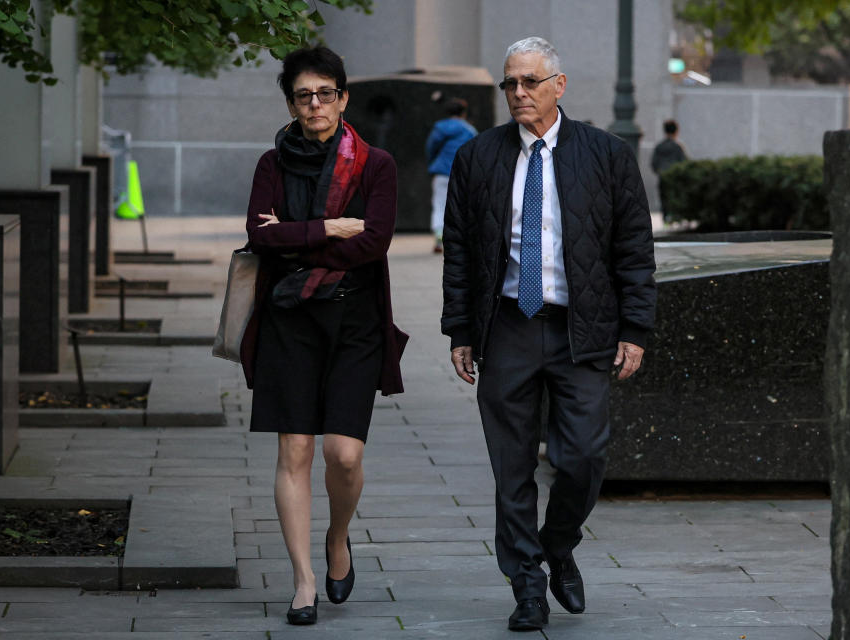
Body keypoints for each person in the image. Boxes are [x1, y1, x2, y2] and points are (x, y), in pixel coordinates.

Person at [441, 37, 656, 631]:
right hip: (507, 323)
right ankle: (527, 585)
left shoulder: (606, 154)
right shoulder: (478, 157)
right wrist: (460, 328)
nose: (518, 94)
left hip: (581, 328)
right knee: (510, 466)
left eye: (530, 82)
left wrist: (634, 329)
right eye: (510, 83)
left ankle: (557, 544)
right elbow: (458, 250)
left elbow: (634, 248)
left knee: (584, 456)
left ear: (559, 85)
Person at [241, 46, 407, 626]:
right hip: (289, 317)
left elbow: (374, 243)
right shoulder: (272, 163)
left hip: (355, 319)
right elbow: (258, 238)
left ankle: (338, 537)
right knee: (295, 449)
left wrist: (293, 234)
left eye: (325, 93)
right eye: (303, 95)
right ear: (291, 102)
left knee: (343, 452)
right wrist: (327, 228)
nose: (315, 104)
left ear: (343, 97)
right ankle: (303, 580)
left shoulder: (374, 164)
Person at [425, 97, 477, 253]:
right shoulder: (469, 130)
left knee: (439, 204)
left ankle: (439, 235)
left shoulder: (439, 128)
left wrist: (433, 163)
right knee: (460, 206)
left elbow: (430, 147)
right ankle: (458, 239)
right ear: (464, 113)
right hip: (462, 173)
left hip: (441, 172)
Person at [650, 119, 688, 219]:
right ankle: (676, 218)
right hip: (675, 177)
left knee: (664, 199)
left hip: (662, 177)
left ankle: (666, 219)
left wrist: (659, 171)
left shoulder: (659, 147)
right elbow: (685, 162)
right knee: (675, 198)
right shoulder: (678, 147)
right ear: (676, 131)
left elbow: (654, 163)